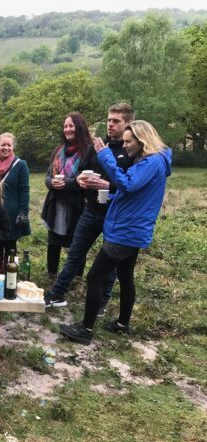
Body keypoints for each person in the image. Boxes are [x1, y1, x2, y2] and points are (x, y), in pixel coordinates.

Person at [59, 120, 172, 344]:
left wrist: (106, 156)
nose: (126, 145)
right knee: (125, 276)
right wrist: (108, 193)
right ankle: (122, 324)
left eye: (129, 142)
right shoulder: (152, 162)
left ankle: (86, 329)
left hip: (126, 232)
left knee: (95, 277)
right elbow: (133, 193)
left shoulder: (152, 162)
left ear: (142, 141)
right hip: (133, 229)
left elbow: (127, 184)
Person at [44, 103, 135, 310]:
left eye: (116, 121)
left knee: (110, 260)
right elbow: (83, 170)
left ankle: (102, 301)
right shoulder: (98, 146)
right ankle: (57, 293)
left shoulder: (131, 150)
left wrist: (108, 185)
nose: (110, 124)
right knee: (75, 253)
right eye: (109, 120)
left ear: (128, 123)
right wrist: (82, 181)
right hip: (91, 210)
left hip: (115, 213)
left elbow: (132, 183)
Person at [40, 112, 90, 285]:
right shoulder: (58, 151)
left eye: (71, 126)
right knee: (53, 241)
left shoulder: (88, 151)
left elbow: (87, 180)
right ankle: (51, 274)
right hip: (56, 204)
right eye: (65, 126)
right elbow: (47, 177)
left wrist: (67, 185)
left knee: (77, 243)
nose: (68, 129)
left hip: (77, 206)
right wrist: (52, 183)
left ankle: (76, 279)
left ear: (80, 128)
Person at [0, 132, 31, 266]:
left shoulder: (21, 165)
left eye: (9, 145)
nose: (6, 148)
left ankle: (10, 276)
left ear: (13, 147)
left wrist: (23, 212)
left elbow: (24, 190)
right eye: (3, 145)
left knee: (10, 245)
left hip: (12, 212)